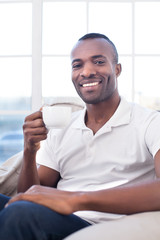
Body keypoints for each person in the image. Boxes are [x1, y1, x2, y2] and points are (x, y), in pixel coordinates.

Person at [0, 32, 160, 240]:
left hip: (107, 225)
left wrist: (75, 199)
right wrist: (30, 149)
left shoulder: (150, 122)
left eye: (99, 62)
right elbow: (30, 195)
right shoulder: (62, 128)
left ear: (117, 69)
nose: (87, 72)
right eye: (77, 65)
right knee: (20, 210)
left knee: (21, 214)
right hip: (60, 219)